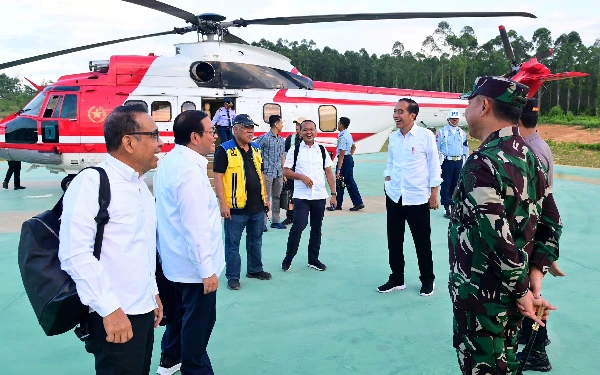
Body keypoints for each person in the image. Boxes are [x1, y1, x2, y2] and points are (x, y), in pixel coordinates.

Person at [449, 76, 562, 375]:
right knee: (508, 364)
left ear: (484, 105)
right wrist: (537, 271)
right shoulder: (529, 156)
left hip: (483, 299)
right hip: (514, 297)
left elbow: (494, 239)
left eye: (470, 103)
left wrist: (524, 290)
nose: (466, 112)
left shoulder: (482, 163)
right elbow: (552, 218)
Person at [58, 105, 164, 374]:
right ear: (129, 142)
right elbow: (75, 253)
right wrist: (109, 310)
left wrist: (152, 292)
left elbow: (141, 247)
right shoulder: (93, 183)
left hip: (140, 308)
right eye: (154, 135)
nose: (160, 144)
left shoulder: (139, 187)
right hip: (114, 313)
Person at [154, 110, 224, 375]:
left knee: (181, 316)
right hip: (195, 269)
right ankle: (194, 369)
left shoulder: (170, 161)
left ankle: (169, 362)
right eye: (210, 132)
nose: (215, 137)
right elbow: (195, 227)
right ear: (195, 137)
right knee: (198, 325)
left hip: (176, 263)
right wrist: (207, 270)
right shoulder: (190, 174)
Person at [515, 97, 565, 372]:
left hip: (530, 231)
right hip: (535, 230)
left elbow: (537, 200)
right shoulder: (537, 144)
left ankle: (537, 350)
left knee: (531, 290)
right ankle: (528, 334)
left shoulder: (529, 151)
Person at [377, 98, 442, 297]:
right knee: (394, 241)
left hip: (417, 198)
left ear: (412, 115)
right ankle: (397, 278)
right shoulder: (394, 137)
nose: (396, 115)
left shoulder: (425, 136)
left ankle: (427, 279)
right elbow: (391, 162)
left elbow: (434, 165)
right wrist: (388, 181)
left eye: (400, 112)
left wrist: (434, 193)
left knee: (422, 242)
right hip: (395, 196)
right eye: (395, 111)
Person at [213, 114, 272, 291]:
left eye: (252, 127)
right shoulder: (224, 150)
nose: (250, 131)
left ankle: (255, 269)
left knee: (256, 240)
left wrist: (265, 197)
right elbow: (218, 177)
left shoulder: (256, 148)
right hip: (235, 209)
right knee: (233, 244)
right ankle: (233, 277)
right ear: (235, 129)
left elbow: (260, 174)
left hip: (256, 207)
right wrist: (222, 203)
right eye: (246, 127)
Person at [281, 120, 337, 272]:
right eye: (305, 130)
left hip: (319, 195)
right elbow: (285, 171)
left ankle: (313, 259)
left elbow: (329, 173)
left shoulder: (322, 149)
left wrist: (333, 194)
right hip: (302, 195)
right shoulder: (295, 150)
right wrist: (301, 177)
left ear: (316, 131)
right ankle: (288, 257)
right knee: (299, 225)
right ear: (300, 132)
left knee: (316, 228)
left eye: (311, 129)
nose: (308, 132)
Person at [256, 114, 287, 230]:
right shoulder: (265, 138)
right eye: (281, 123)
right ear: (276, 124)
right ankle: (262, 223)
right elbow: (255, 150)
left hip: (278, 173)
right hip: (267, 172)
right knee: (265, 198)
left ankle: (275, 221)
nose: (282, 125)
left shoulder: (281, 140)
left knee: (277, 197)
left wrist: (284, 172)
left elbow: (282, 156)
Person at [327, 116, 364, 211]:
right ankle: (358, 202)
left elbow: (342, 154)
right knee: (349, 181)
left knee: (340, 181)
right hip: (349, 159)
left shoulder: (342, 137)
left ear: (341, 125)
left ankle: (337, 205)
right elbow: (353, 147)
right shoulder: (348, 134)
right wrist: (349, 156)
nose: (337, 125)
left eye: (339, 123)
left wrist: (339, 169)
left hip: (344, 160)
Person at [436, 109, 468, 218]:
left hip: (458, 161)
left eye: (456, 119)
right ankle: (447, 208)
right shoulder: (441, 132)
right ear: (448, 119)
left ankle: (455, 207)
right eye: (452, 119)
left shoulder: (462, 133)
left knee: (456, 185)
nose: (454, 121)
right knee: (446, 185)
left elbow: (465, 148)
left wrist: (466, 162)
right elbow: (437, 148)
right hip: (446, 162)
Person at [282, 117, 304, 225]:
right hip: (291, 172)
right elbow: (284, 155)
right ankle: (290, 217)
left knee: (301, 196)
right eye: (296, 124)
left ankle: (300, 217)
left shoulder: (308, 140)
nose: (297, 127)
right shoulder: (290, 139)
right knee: (290, 195)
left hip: (303, 172)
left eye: (299, 125)